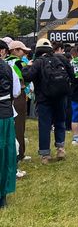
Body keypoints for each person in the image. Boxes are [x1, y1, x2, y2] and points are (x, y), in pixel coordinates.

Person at [22, 38, 75, 164]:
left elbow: (27, 77)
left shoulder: (38, 62)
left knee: (45, 125)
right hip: (61, 96)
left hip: (43, 98)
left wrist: (27, 66)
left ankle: (45, 155)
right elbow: (72, 75)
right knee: (60, 121)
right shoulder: (61, 59)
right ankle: (60, 149)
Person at [0, 40, 20, 208]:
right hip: (4, 114)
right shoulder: (9, 68)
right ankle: (2, 196)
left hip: (4, 112)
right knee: (5, 154)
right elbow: (16, 92)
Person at [6, 40, 31, 169]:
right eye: (22, 50)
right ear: (14, 50)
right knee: (19, 124)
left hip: (5, 97)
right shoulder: (19, 63)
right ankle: (20, 153)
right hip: (18, 95)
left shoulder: (4, 62)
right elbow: (27, 77)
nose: (24, 53)